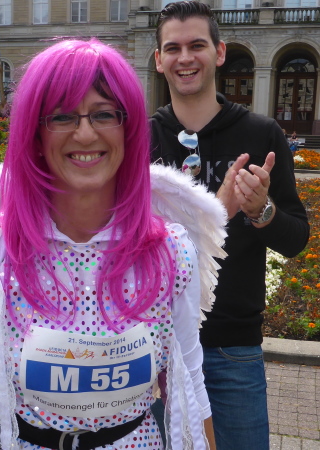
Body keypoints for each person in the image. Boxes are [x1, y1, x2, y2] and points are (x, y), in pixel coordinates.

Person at [0, 38, 226, 450]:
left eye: (104, 114)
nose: (85, 133)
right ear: (35, 132)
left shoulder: (170, 251)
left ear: (128, 129)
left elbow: (189, 380)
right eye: (62, 116)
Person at [150, 2, 310, 449]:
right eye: (173, 48)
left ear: (219, 52)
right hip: (154, 348)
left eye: (197, 45)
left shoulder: (260, 135)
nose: (185, 57)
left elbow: (296, 238)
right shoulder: (140, 139)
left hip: (231, 348)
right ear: (159, 59)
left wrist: (261, 210)